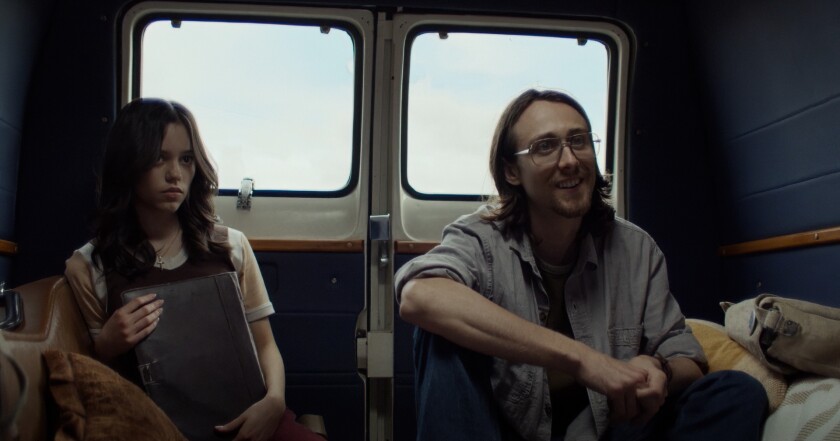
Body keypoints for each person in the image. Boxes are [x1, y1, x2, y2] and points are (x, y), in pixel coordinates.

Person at [395, 89, 768, 441]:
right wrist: (583, 361)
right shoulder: (482, 238)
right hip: (503, 430)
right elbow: (419, 296)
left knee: (736, 392)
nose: (570, 160)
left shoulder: (636, 248)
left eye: (579, 141)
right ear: (512, 172)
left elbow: (685, 355)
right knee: (439, 335)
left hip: (608, 430)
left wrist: (660, 371)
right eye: (545, 146)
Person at [64, 98, 322, 441]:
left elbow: (265, 345)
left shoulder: (231, 245)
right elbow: (96, 386)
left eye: (186, 159)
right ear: (128, 164)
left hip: (252, 414)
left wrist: (274, 403)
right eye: (159, 158)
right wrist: (106, 346)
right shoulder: (88, 265)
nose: (176, 174)